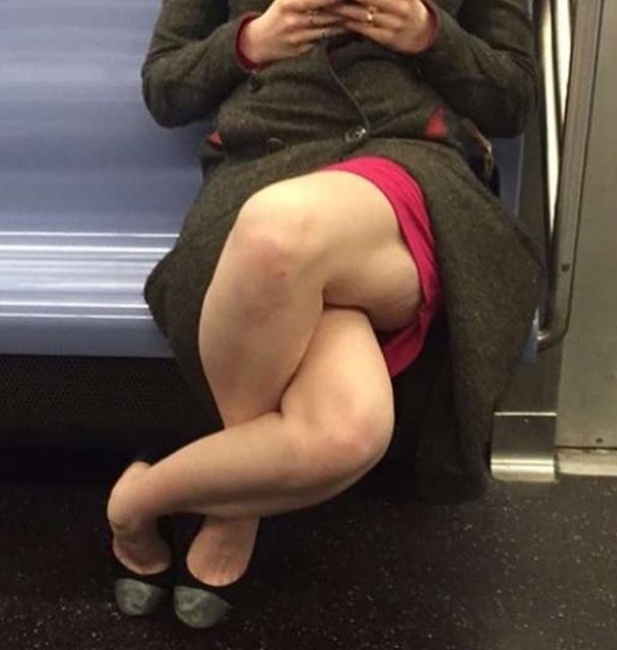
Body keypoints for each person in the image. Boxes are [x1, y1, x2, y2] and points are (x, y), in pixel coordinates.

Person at [107, 0, 544, 629]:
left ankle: (156, 505)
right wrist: (252, 41)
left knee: (277, 237)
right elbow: (165, 89)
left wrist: (429, 35)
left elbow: (514, 101)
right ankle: (230, 484)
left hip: (406, 167)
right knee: (346, 434)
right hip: (261, 166)